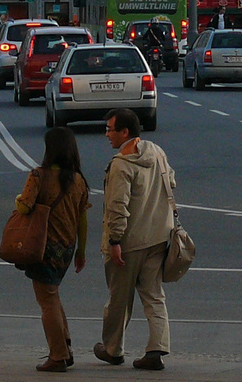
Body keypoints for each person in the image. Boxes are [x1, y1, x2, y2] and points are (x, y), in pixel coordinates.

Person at [95, 108, 175, 371]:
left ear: (124, 132)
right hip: (159, 237)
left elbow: (118, 207)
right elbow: (171, 182)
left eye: (110, 129)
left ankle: (112, 349)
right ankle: (156, 350)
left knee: (119, 298)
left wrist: (115, 241)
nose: (107, 135)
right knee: (154, 296)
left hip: (128, 243)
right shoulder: (156, 152)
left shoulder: (121, 165)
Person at [13, 127, 90, 372]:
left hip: (44, 246)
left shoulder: (39, 175)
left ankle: (58, 355)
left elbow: (24, 207)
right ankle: (65, 347)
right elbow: (82, 219)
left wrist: (18, 199)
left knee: (46, 300)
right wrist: (81, 251)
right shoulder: (78, 180)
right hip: (67, 248)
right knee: (52, 294)